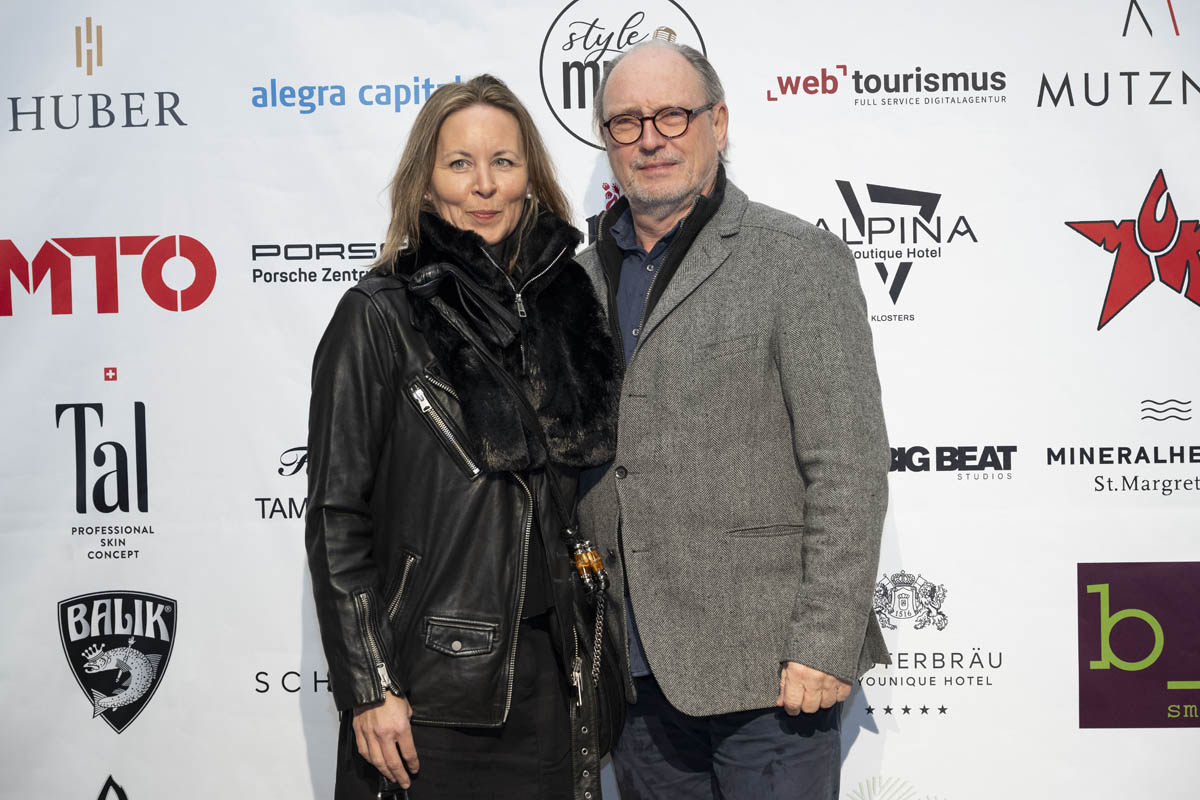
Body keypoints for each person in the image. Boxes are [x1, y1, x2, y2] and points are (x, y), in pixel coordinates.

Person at [575, 41, 891, 799]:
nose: (650, 138)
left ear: (717, 122)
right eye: (626, 122)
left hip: (772, 675)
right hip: (632, 672)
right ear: (607, 141)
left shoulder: (797, 259)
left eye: (672, 115)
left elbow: (848, 466)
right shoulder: (577, 281)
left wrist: (824, 642)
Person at [306, 74, 622, 800]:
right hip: (428, 693)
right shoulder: (379, 316)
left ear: (529, 179)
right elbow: (336, 516)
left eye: (503, 162)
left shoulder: (563, 308)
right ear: (426, 183)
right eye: (459, 163)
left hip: (551, 681)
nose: (484, 185)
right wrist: (371, 685)